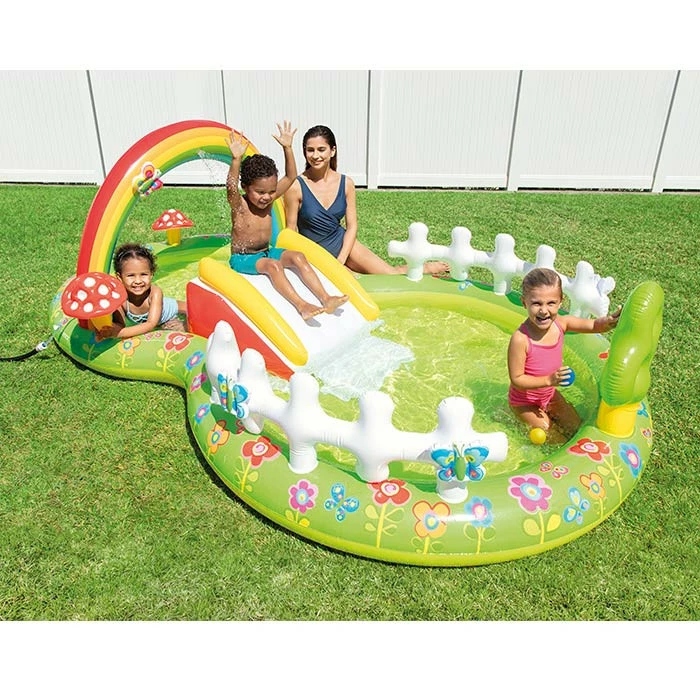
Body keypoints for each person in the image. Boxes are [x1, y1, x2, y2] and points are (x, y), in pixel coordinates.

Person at [284, 125, 449, 276]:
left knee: (390, 275)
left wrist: (341, 260)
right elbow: (291, 232)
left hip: (343, 243)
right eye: (310, 150)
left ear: (332, 151)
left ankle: (423, 268)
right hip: (316, 252)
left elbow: (352, 226)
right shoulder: (296, 187)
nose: (315, 156)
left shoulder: (346, 184)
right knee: (359, 282)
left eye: (321, 149)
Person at [226, 121, 348, 321]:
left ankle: (326, 298)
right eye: (260, 192)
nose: (267, 197)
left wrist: (288, 148)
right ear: (246, 187)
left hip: (266, 251)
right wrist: (236, 159)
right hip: (243, 258)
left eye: (271, 191)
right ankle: (302, 305)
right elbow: (231, 187)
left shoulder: (269, 199)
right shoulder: (240, 205)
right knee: (273, 266)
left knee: (298, 257)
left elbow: (291, 176)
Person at [507, 267, 622, 443]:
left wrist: (608, 322)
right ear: (524, 303)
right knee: (553, 438)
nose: (544, 310)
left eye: (551, 303)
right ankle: (514, 418)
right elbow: (517, 379)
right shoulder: (520, 339)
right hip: (524, 402)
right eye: (536, 303)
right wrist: (548, 380)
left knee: (576, 429)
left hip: (549, 395)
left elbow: (593, 325)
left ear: (560, 302)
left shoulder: (561, 324)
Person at [95, 243, 187, 341]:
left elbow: (151, 324)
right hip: (157, 323)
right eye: (131, 275)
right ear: (119, 277)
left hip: (174, 314)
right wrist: (107, 330)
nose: (138, 281)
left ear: (151, 275)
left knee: (181, 331)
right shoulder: (119, 298)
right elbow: (120, 325)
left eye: (143, 274)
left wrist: (119, 333)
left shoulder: (155, 293)